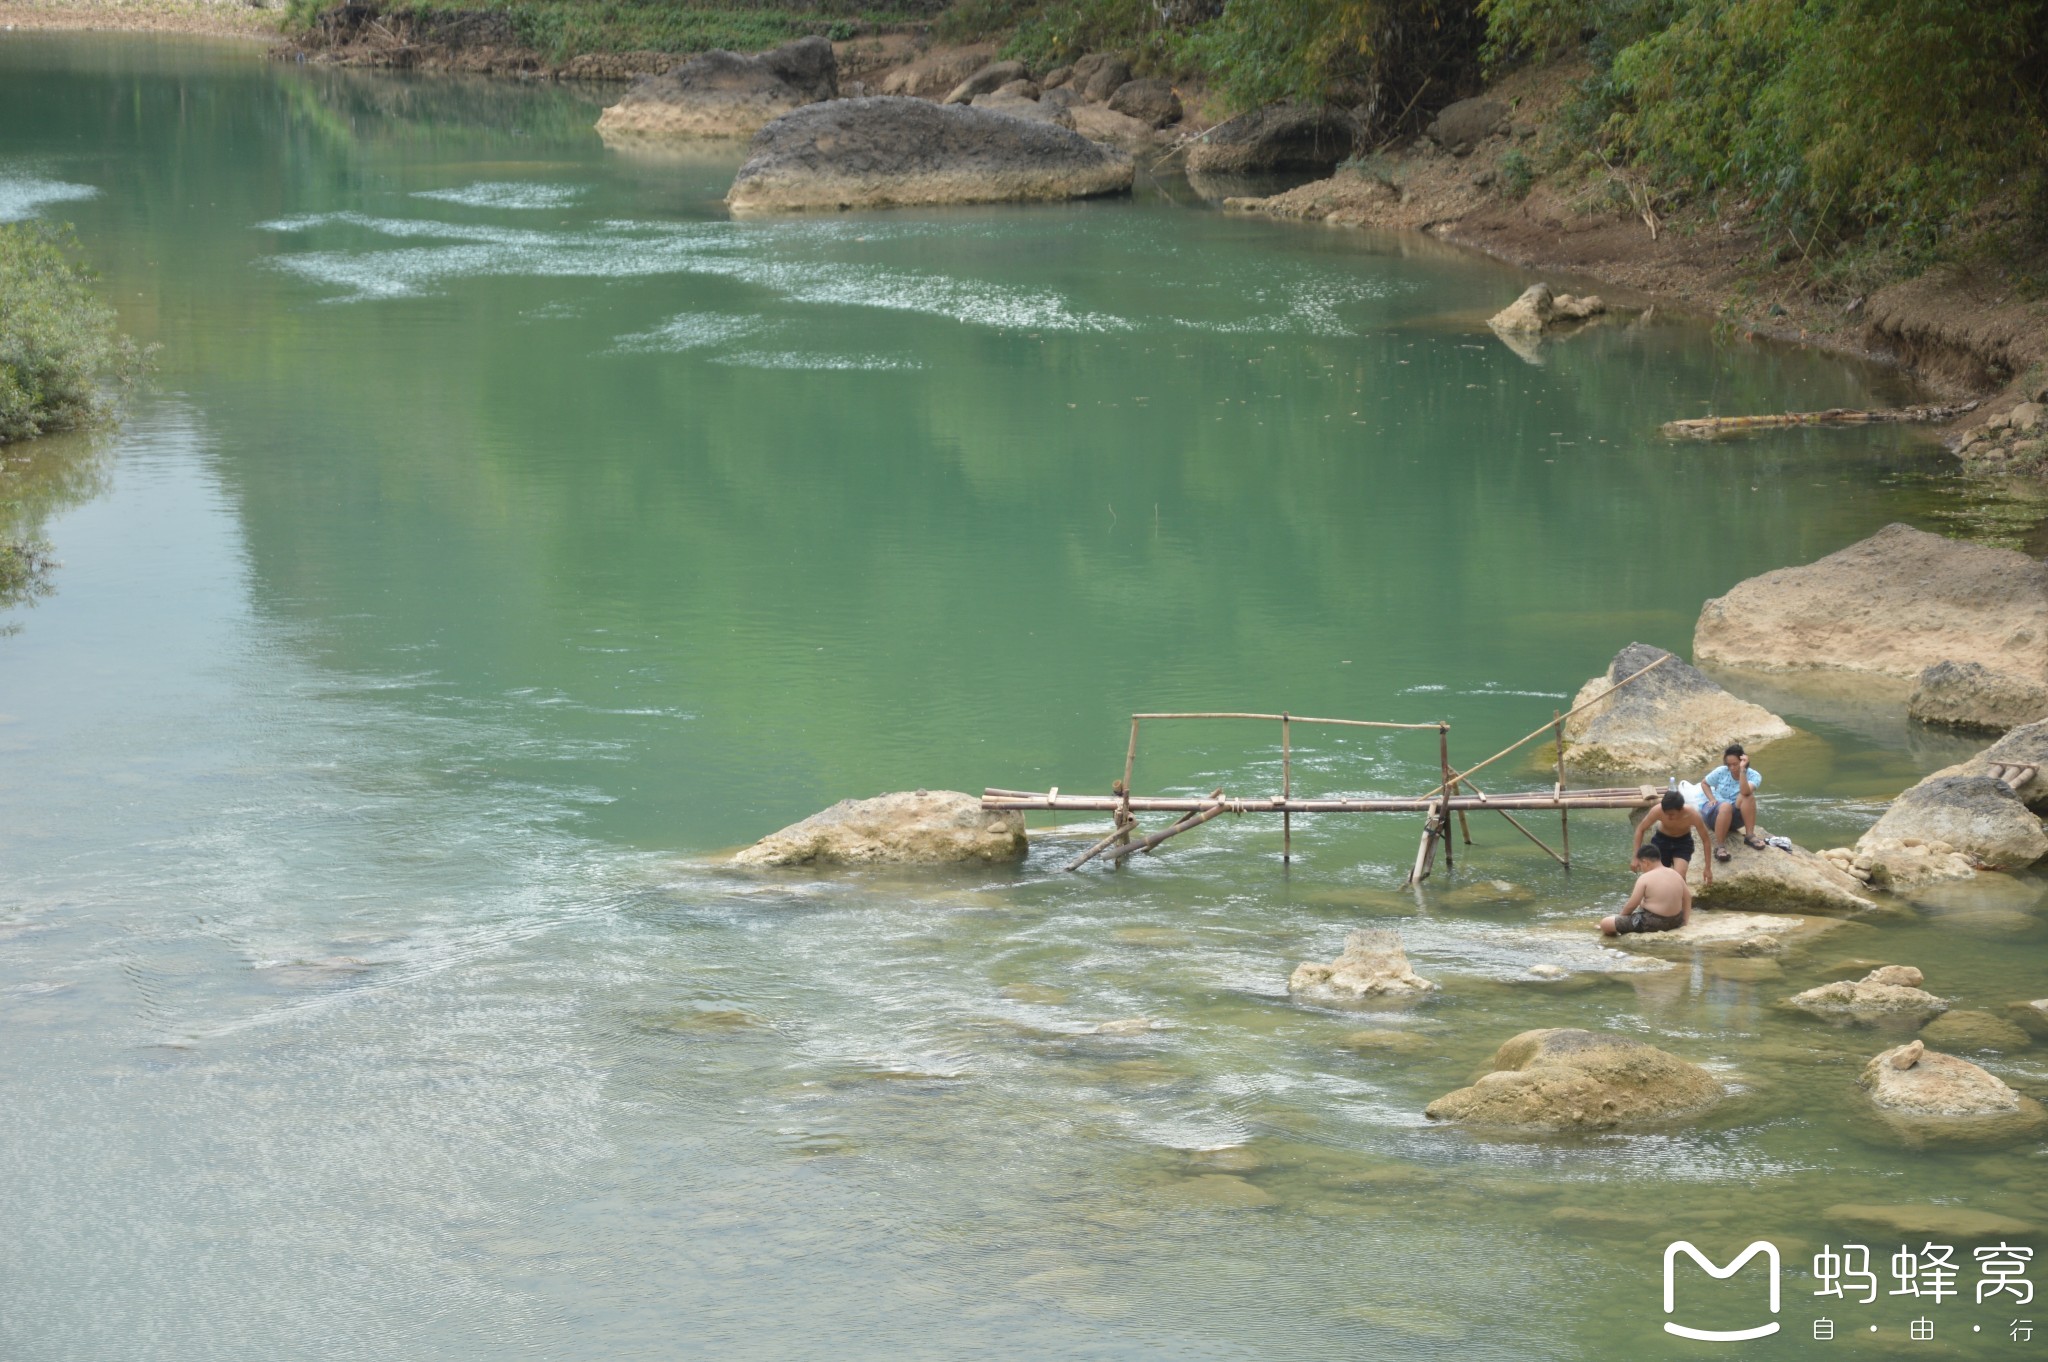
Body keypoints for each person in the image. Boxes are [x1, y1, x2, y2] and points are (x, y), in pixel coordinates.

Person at [1601, 845, 1692, 935]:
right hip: (1675, 921)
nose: (1641, 869)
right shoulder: (1675, 874)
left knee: (1605, 923)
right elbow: (1688, 897)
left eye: (1640, 866)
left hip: (1652, 923)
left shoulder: (1645, 878)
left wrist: (1620, 918)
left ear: (1645, 862)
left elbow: (1632, 905)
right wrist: (1684, 922)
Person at [1631, 788, 1715, 885]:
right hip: (1661, 841)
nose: (1668, 817)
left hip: (1682, 843)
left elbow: (1706, 840)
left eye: (1672, 814)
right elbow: (1640, 829)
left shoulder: (1692, 815)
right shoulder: (1657, 810)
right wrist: (1636, 857)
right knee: (1656, 877)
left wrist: (1707, 868)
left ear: (1681, 809)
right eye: (1666, 814)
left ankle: (1682, 898)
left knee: (1679, 877)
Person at [1701, 743, 1765, 861]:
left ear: (1742, 761)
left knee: (1748, 797)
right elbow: (1704, 783)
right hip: (1716, 813)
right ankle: (1720, 846)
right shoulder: (1721, 771)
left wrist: (1742, 771)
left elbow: (1745, 791)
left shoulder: (1754, 775)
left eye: (1735, 764)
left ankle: (1749, 835)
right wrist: (1712, 799)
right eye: (1729, 765)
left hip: (1734, 817)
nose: (1731, 768)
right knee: (1725, 806)